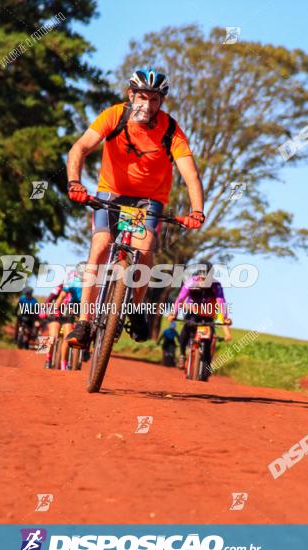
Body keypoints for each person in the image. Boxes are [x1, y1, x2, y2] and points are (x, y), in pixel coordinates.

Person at [65, 68, 205, 350]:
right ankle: (83, 322)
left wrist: (197, 211)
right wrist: (74, 182)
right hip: (111, 194)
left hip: (147, 200)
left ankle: (135, 307)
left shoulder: (170, 129)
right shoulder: (115, 116)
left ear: (161, 102)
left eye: (155, 100)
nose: (148, 105)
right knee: (101, 245)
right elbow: (79, 148)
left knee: (145, 246)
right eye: (142, 97)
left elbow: (190, 174)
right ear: (131, 95)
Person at [167, 259, 231, 368]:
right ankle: (182, 355)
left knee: (209, 339)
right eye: (202, 277)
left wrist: (225, 318)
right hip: (193, 313)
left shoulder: (216, 286)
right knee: (186, 330)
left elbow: (221, 302)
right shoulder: (191, 282)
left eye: (207, 278)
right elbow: (180, 299)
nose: (204, 280)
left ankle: (206, 365)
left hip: (207, 316)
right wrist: (174, 313)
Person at [41, 266, 83, 369]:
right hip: (56, 313)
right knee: (52, 336)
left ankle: (64, 364)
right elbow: (49, 299)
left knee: (67, 337)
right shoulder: (60, 287)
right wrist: (45, 310)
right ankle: (47, 358)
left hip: (68, 315)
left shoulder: (81, 288)